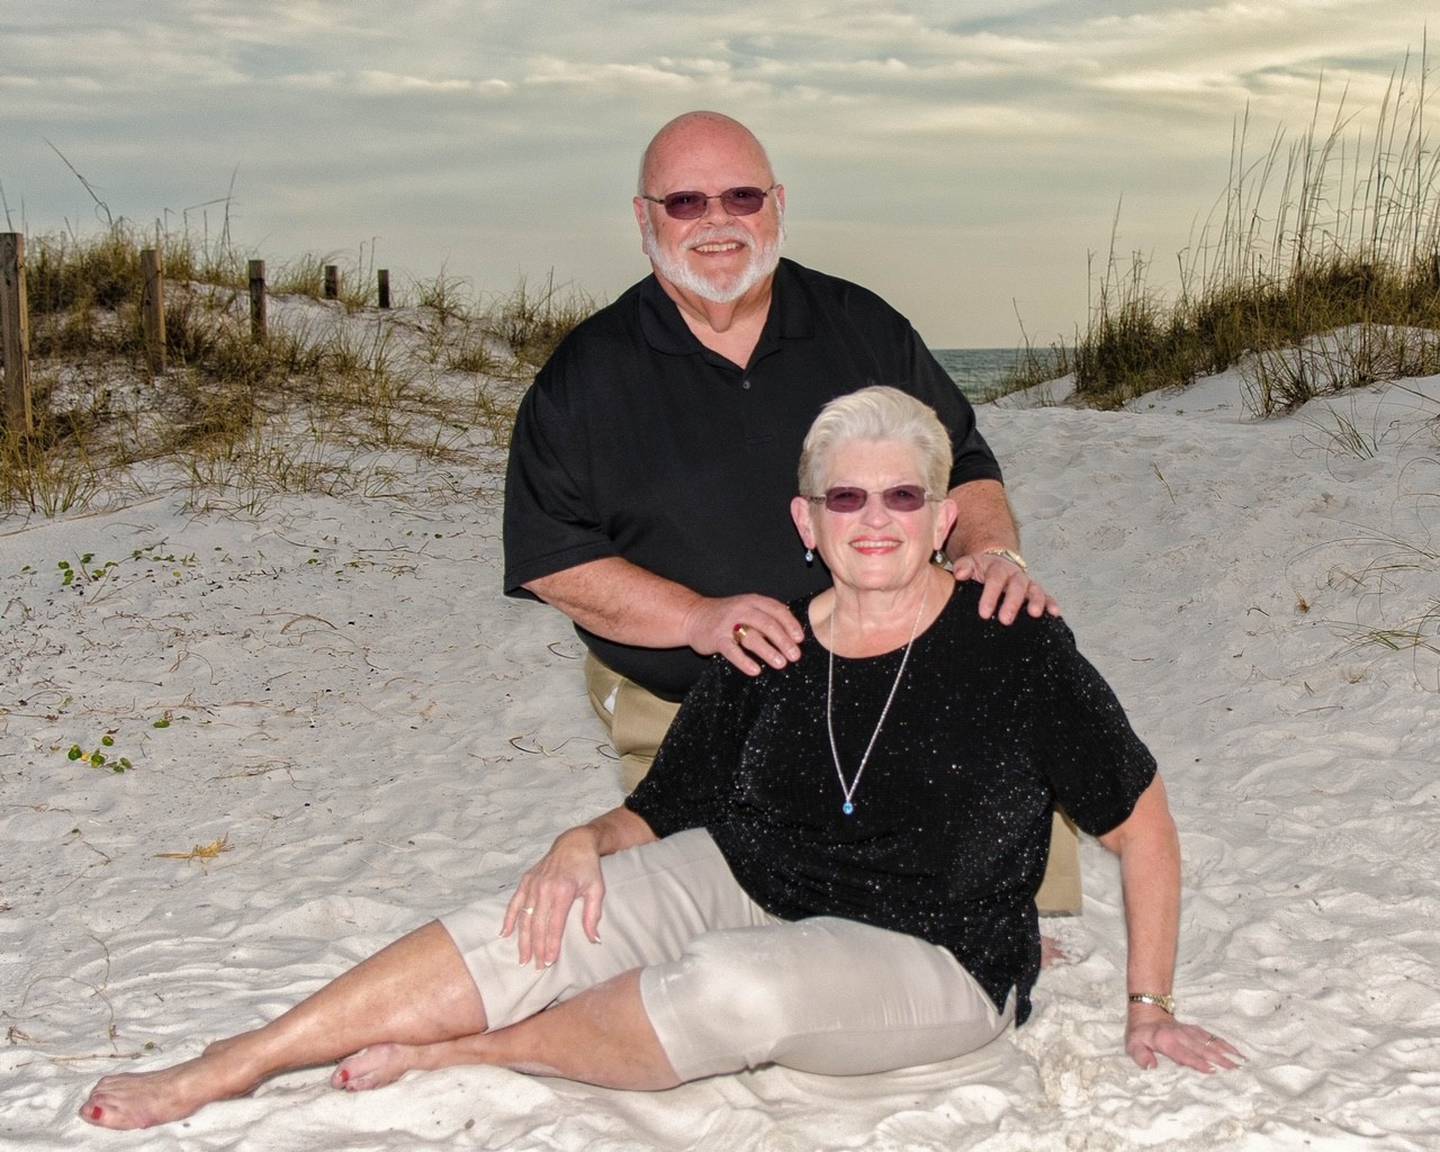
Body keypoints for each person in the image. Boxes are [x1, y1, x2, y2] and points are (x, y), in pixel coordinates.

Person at [80, 388, 1239, 1132]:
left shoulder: (1011, 640)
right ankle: (244, 1056)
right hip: (753, 879)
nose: (875, 518)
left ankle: (480, 1049)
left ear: (944, 518)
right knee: (538, 917)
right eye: (848, 496)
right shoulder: (768, 642)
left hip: (935, 957)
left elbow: (1144, 829)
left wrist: (1149, 1006)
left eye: (905, 495)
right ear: (807, 522)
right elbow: (669, 803)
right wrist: (580, 842)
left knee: (734, 987)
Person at [504, 110, 1084, 912]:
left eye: (742, 196)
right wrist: (697, 617)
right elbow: (552, 560)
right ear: (644, 218)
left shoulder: (861, 327)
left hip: (882, 672)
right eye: (685, 202)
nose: (717, 221)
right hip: (695, 701)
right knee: (723, 905)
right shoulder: (585, 376)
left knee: (1006, 630)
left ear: (778, 204)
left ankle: (1015, 901)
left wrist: (992, 555)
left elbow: (966, 462)